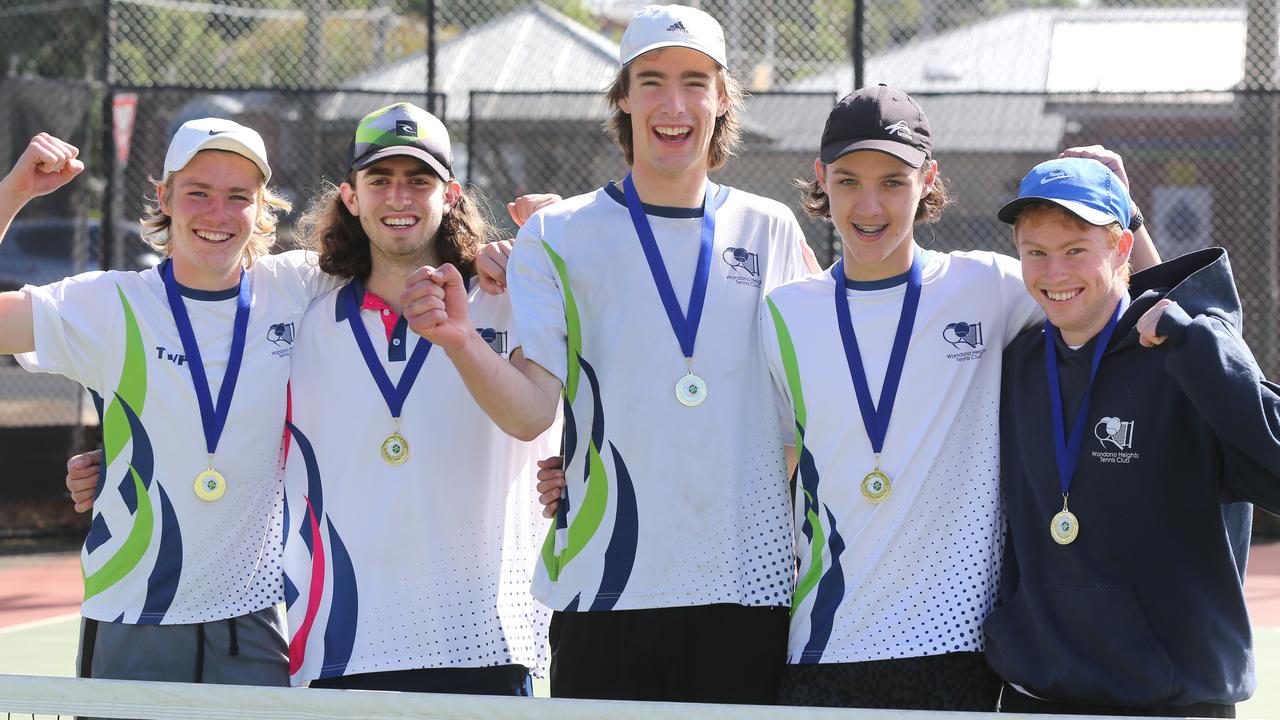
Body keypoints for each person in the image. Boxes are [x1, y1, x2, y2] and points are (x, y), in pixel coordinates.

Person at [401, 3, 818, 703]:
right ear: (623, 98)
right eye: (651, 81)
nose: (674, 103)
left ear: (722, 98)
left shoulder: (770, 227)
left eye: (695, 81)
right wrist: (461, 340)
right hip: (604, 583)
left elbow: (801, 413)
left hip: (746, 584)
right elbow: (534, 412)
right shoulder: (558, 235)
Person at [756, 86, 1161, 710]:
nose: (869, 205)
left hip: (957, 651)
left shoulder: (988, 287)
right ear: (820, 180)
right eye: (848, 180)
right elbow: (770, 462)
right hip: (823, 644)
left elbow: (1133, 311)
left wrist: (1121, 213)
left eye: (893, 180)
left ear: (929, 180)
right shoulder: (784, 312)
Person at [0, 121, 334, 685]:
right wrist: (14, 192)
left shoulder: (299, 287)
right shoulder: (109, 305)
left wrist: (507, 251)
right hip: (132, 613)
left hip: (252, 618)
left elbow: (405, 250)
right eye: (199, 192)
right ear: (164, 197)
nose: (217, 214)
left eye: (238, 197)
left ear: (261, 208)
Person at [985, 157, 1280, 716]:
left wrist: (1200, 348)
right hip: (1037, 696)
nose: (1054, 273)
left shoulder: (1187, 352)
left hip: (1169, 702)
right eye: (1035, 253)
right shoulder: (1015, 364)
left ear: (1121, 249)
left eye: (1076, 250)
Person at [279, 101, 554, 693]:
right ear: (351, 197)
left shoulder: (505, 297)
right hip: (342, 648)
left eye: (418, 181)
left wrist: (548, 232)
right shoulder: (301, 311)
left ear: (450, 194)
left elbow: (533, 418)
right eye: (380, 180)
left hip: (486, 644)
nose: (398, 198)